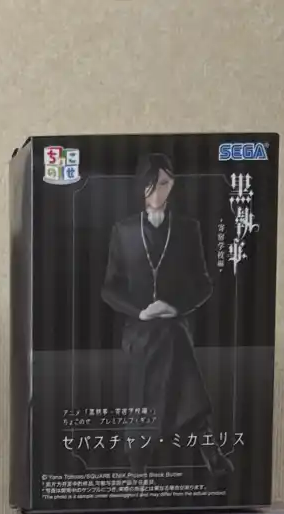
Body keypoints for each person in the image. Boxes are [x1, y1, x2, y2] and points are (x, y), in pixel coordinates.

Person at [102, 153, 232, 478]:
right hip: (139, 329)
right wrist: (141, 311)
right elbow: (109, 289)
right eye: (150, 185)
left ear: (172, 184)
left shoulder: (187, 229)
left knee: (172, 340)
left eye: (163, 184)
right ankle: (203, 445)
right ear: (140, 187)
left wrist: (174, 307)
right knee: (164, 350)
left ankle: (141, 457)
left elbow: (203, 284)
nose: (157, 193)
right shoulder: (124, 230)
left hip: (175, 324)